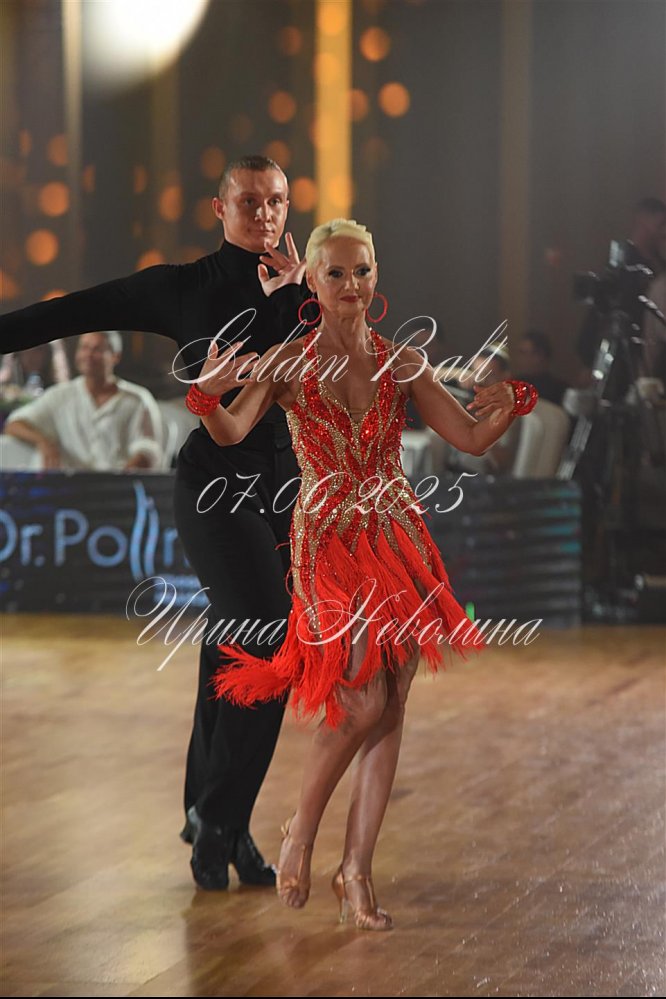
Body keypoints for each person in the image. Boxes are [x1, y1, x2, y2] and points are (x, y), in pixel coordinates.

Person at [190, 219, 539, 929]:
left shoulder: (403, 363)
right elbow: (229, 431)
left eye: (363, 271)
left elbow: (469, 437)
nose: (352, 284)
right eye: (338, 273)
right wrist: (205, 396)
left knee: (393, 699)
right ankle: (300, 831)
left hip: (396, 535)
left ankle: (356, 870)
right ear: (313, 283)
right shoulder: (287, 362)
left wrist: (509, 410)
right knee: (359, 700)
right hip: (326, 539)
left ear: (376, 277)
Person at [0, 155, 307, 891]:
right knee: (266, 636)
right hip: (213, 482)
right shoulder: (181, 287)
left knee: (246, 645)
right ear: (219, 208)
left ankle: (220, 817)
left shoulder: (305, 294)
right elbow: (67, 313)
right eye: (250, 201)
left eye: (276, 201)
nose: (265, 214)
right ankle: (219, 819)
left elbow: (325, 374)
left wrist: (302, 299)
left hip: (284, 487)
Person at [5, 331, 163, 471]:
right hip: (70, 488)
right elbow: (14, 424)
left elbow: (148, 449)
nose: (88, 355)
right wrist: (43, 442)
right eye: (84, 348)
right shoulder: (60, 395)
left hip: (118, 488)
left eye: (97, 349)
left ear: (115, 356)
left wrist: (123, 478)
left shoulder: (138, 399)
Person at [514, 329, 569, 406]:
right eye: (520, 353)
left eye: (524, 353)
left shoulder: (560, 390)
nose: (520, 358)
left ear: (540, 356)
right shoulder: (513, 386)